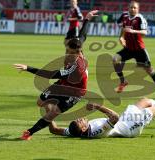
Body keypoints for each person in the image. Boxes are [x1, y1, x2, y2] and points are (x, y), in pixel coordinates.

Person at [13, 10, 98, 140]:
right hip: (62, 84)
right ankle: (51, 124)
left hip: (74, 93)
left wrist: (27, 68)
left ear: (76, 52)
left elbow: (51, 75)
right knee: (40, 102)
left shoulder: (76, 67)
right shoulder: (78, 48)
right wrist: (87, 19)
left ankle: (29, 132)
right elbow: (83, 36)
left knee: (52, 113)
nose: (67, 53)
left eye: (69, 51)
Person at [49, 98, 155, 138]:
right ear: (83, 128)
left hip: (125, 120)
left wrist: (48, 114)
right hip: (129, 127)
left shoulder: (74, 131)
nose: (81, 118)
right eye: (80, 121)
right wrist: (98, 107)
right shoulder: (96, 130)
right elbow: (114, 117)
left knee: (145, 101)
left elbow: (55, 130)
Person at [113, 1, 155, 100]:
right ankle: (123, 81)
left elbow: (145, 32)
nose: (133, 9)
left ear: (138, 9)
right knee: (115, 59)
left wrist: (134, 31)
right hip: (128, 49)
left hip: (139, 50)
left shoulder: (140, 18)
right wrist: (121, 37)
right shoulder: (124, 16)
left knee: (148, 70)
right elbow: (123, 28)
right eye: (131, 7)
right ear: (128, 8)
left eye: (135, 8)